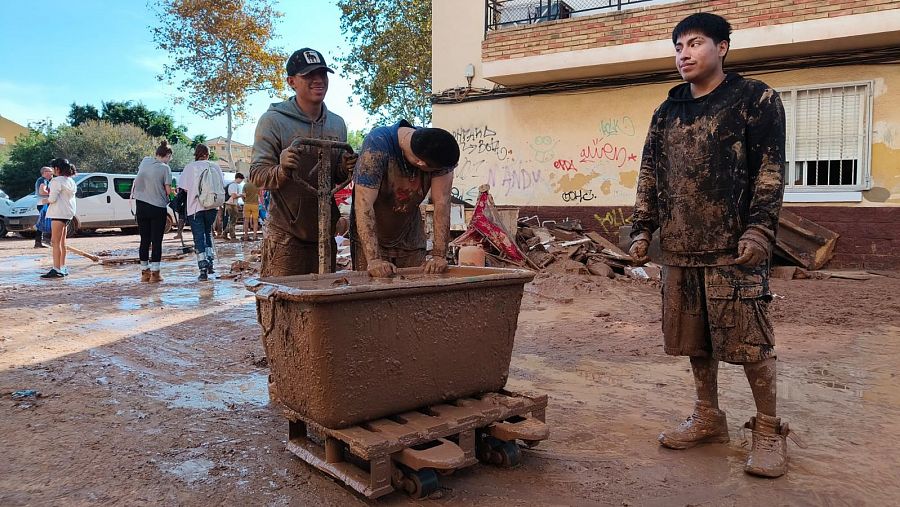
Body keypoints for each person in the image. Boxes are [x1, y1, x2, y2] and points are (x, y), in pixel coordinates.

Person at [628, 13, 790, 477]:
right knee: (694, 341)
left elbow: (770, 171)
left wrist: (760, 230)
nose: (684, 54)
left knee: (750, 343)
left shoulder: (755, 99)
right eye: (678, 46)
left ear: (723, 47)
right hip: (679, 248)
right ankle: (708, 416)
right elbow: (649, 174)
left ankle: (767, 429)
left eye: (695, 43)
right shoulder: (667, 111)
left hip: (733, 250)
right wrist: (643, 229)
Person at [249, 47, 356, 277]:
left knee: (325, 303)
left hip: (325, 232)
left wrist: (343, 168)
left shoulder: (337, 125)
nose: (318, 81)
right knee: (283, 300)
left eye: (322, 74)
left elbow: (332, 178)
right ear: (291, 82)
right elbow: (257, 174)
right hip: (286, 235)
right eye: (309, 75)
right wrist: (282, 169)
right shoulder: (273, 122)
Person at [351, 122, 459, 277]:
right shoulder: (378, 144)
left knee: (415, 290)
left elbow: (442, 202)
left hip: (409, 234)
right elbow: (363, 203)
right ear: (420, 163)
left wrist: (439, 255)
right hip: (372, 233)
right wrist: (374, 259)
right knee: (372, 289)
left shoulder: (436, 148)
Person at [179, 144, 225, 281]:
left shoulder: (189, 168)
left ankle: (203, 269)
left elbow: (185, 189)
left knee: (199, 237)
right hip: (212, 207)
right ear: (207, 154)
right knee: (208, 233)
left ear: (196, 154)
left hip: (195, 208)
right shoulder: (215, 166)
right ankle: (210, 263)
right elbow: (220, 185)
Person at [132, 141, 174, 283]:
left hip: (141, 206)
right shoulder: (165, 168)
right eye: (170, 157)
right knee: (156, 241)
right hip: (157, 207)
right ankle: (155, 274)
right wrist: (173, 192)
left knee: (144, 240)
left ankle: (144, 273)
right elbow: (168, 190)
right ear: (167, 155)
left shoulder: (145, 161)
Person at [41, 158, 76, 279]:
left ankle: (56, 269)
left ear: (57, 169)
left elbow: (52, 199)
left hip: (58, 213)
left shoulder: (56, 181)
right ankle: (62, 267)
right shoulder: (70, 180)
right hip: (68, 213)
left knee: (55, 242)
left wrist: (44, 200)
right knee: (62, 242)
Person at [33, 166, 52, 248]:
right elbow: (42, 191)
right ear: (44, 172)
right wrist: (53, 194)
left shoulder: (43, 180)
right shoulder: (43, 180)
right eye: (50, 171)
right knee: (44, 223)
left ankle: (38, 242)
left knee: (42, 222)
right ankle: (44, 241)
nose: (52, 173)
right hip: (43, 204)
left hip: (41, 203)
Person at [224, 173, 245, 240]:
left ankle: (225, 233)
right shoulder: (233, 185)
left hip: (232, 204)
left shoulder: (233, 185)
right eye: (241, 180)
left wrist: (237, 204)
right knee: (233, 220)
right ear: (238, 178)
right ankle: (232, 236)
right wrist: (242, 195)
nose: (241, 181)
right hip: (231, 205)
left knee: (232, 220)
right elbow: (234, 196)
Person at [241, 176, 260, 241]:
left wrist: (244, 201)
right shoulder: (257, 185)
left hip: (247, 204)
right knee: (255, 221)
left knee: (246, 221)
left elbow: (243, 195)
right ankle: (255, 236)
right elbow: (260, 194)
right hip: (255, 205)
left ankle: (246, 236)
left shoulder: (245, 185)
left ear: (249, 178)